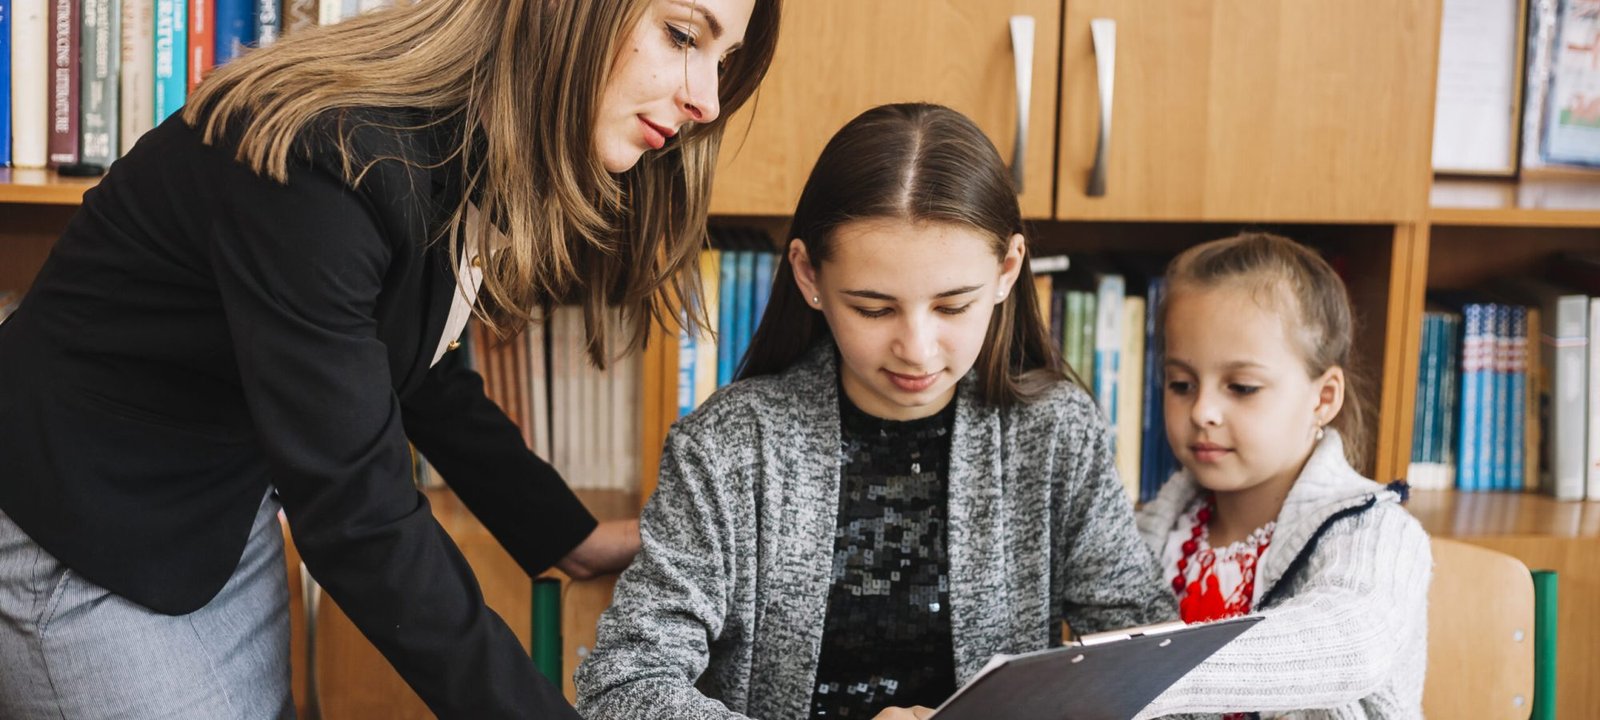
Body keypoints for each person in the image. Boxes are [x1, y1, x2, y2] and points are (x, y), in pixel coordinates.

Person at [0, 0, 778, 717]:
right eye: (683, 36)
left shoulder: (459, 134)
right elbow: (358, 514)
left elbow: (408, 361)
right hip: (82, 536)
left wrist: (561, 532)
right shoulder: (336, 156)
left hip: (210, 514)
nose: (707, 98)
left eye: (723, 58)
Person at [574, 103, 1175, 720]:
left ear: (1007, 270)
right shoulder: (730, 449)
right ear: (809, 275)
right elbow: (624, 688)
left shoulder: (1056, 433)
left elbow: (1155, 664)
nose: (916, 349)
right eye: (873, 309)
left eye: (952, 306)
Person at [1134, 232, 1432, 718]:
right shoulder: (1159, 527)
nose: (1203, 410)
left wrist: (1154, 669)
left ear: (1324, 398)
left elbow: (1353, 640)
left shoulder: (1374, 530)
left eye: (1243, 387)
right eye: (1181, 384)